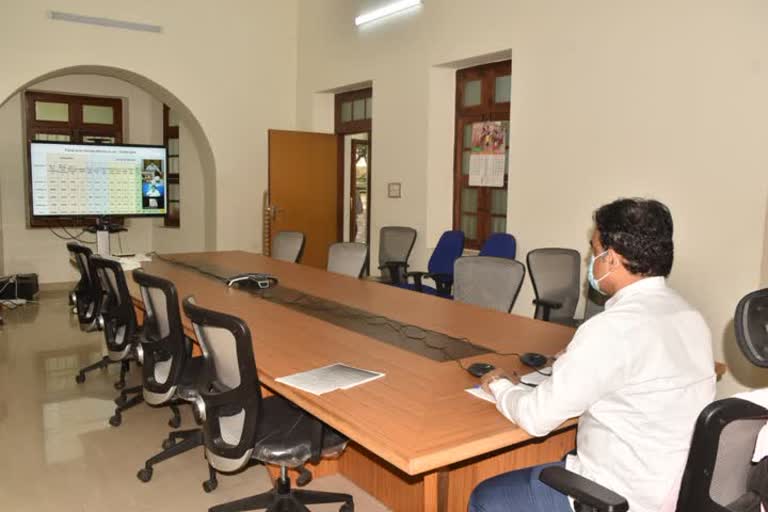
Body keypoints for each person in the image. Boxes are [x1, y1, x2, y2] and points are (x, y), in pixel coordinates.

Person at [468, 198, 715, 512]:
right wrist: (578, 359)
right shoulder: (690, 316)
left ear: (610, 259)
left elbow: (535, 418)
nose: (590, 258)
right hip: (676, 490)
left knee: (486, 497)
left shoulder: (611, 329)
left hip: (617, 496)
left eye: (593, 249)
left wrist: (501, 386)